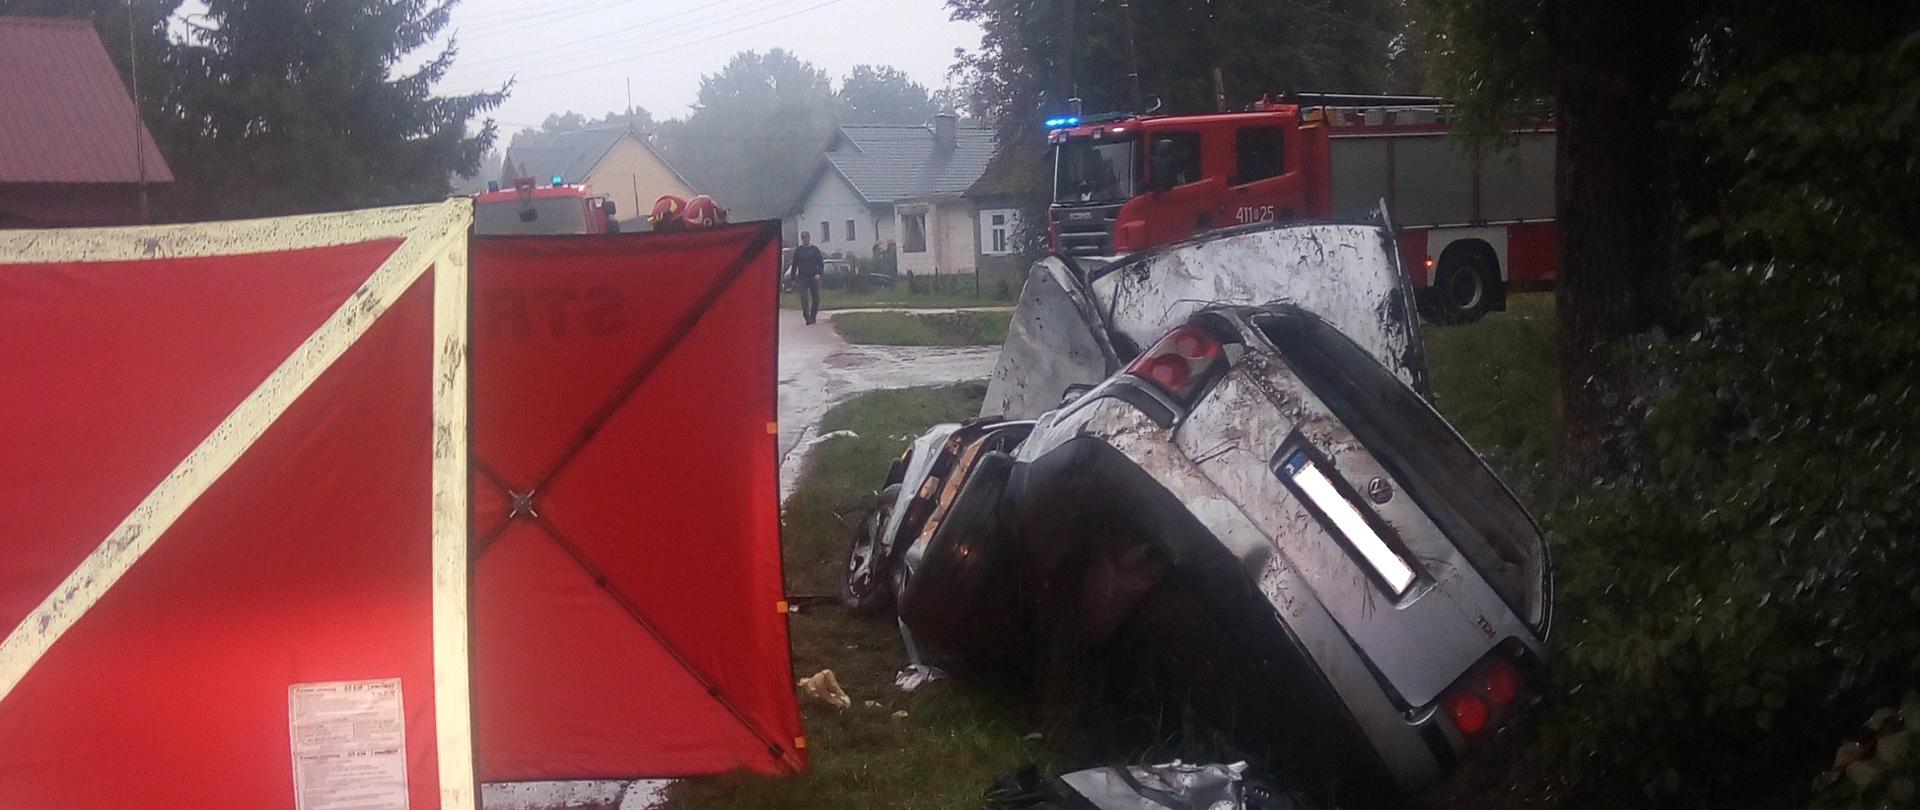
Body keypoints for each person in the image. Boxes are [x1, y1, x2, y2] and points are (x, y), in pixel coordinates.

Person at [790, 230, 825, 324]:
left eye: (807, 237)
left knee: (816, 298)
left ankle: (813, 315)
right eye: (804, 238)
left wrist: (819, 273)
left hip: (813, 277)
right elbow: (794, 264)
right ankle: (807, 317)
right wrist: (793, 278)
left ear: (809, 238)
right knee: (804, 298)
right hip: (803, 278)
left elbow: (820, 263)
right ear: (802, 239)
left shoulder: (815, 250)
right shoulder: (799, 251)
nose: (806, 239)